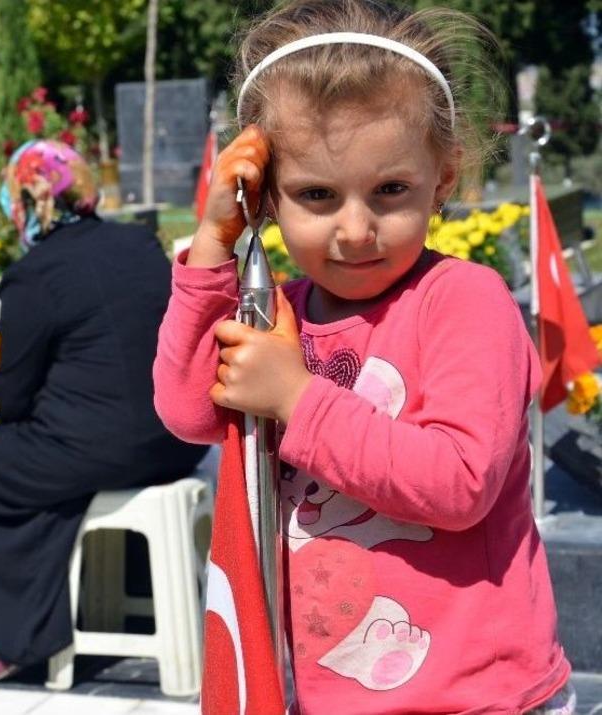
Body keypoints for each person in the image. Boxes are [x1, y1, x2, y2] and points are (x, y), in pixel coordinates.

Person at [152, 1, 575, 712]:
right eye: (316, 195)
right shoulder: (275, 310)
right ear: (264, 199)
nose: (356, 229)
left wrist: (298, 401)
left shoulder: (464, 301)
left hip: (480, 696)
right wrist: (211, 246)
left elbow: (459, 481)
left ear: (442, 177)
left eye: (390, 191)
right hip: (324, 693)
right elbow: (189, 409)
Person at [0, 139, 208, 682]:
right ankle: (62, 618)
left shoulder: (34, 275)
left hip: (103, 447)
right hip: (178, 439)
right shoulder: (137, 242)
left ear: (25, 200)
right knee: (48, 467)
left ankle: (21, 636)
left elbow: (13, 396)